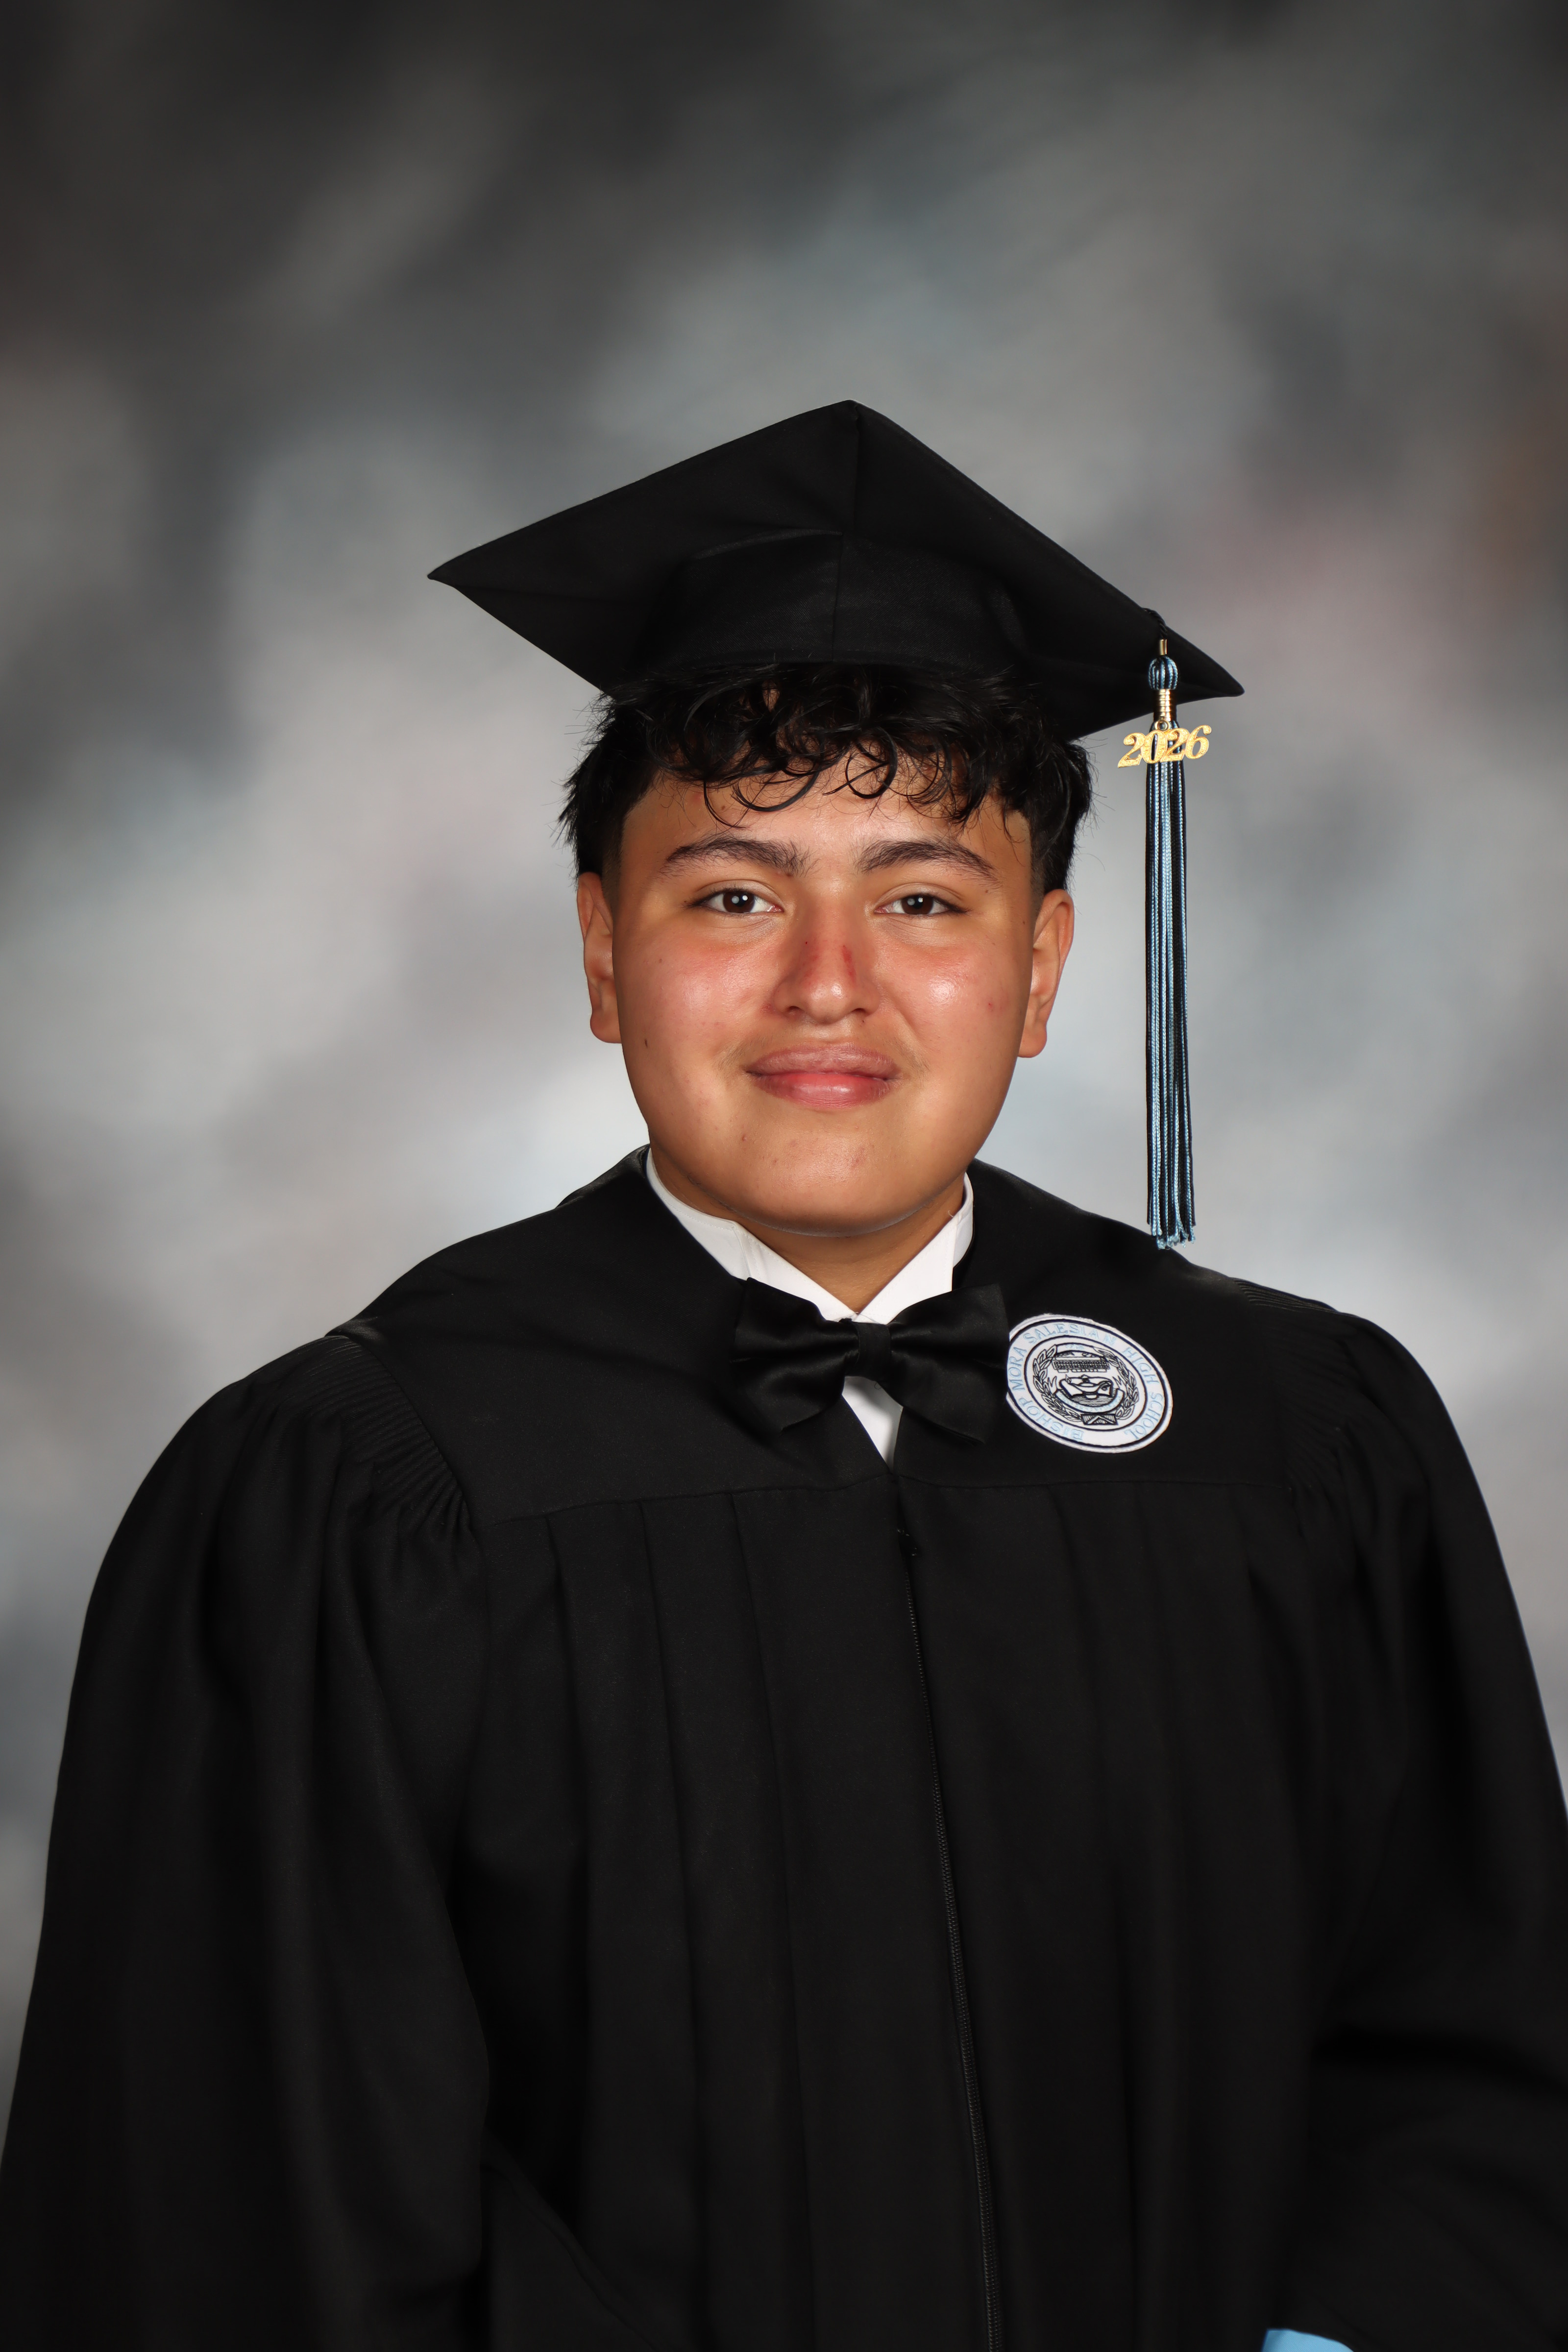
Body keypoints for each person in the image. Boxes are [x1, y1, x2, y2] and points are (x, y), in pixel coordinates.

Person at [2, 401, 1566, 2352]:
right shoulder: (361, 1491)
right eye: (732, 894)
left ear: (1043, 964)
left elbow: (1474, 2065)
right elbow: (239, 2206)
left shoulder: (1294, 1437)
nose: (829, 982)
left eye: (924, 897)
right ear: (602, 950)